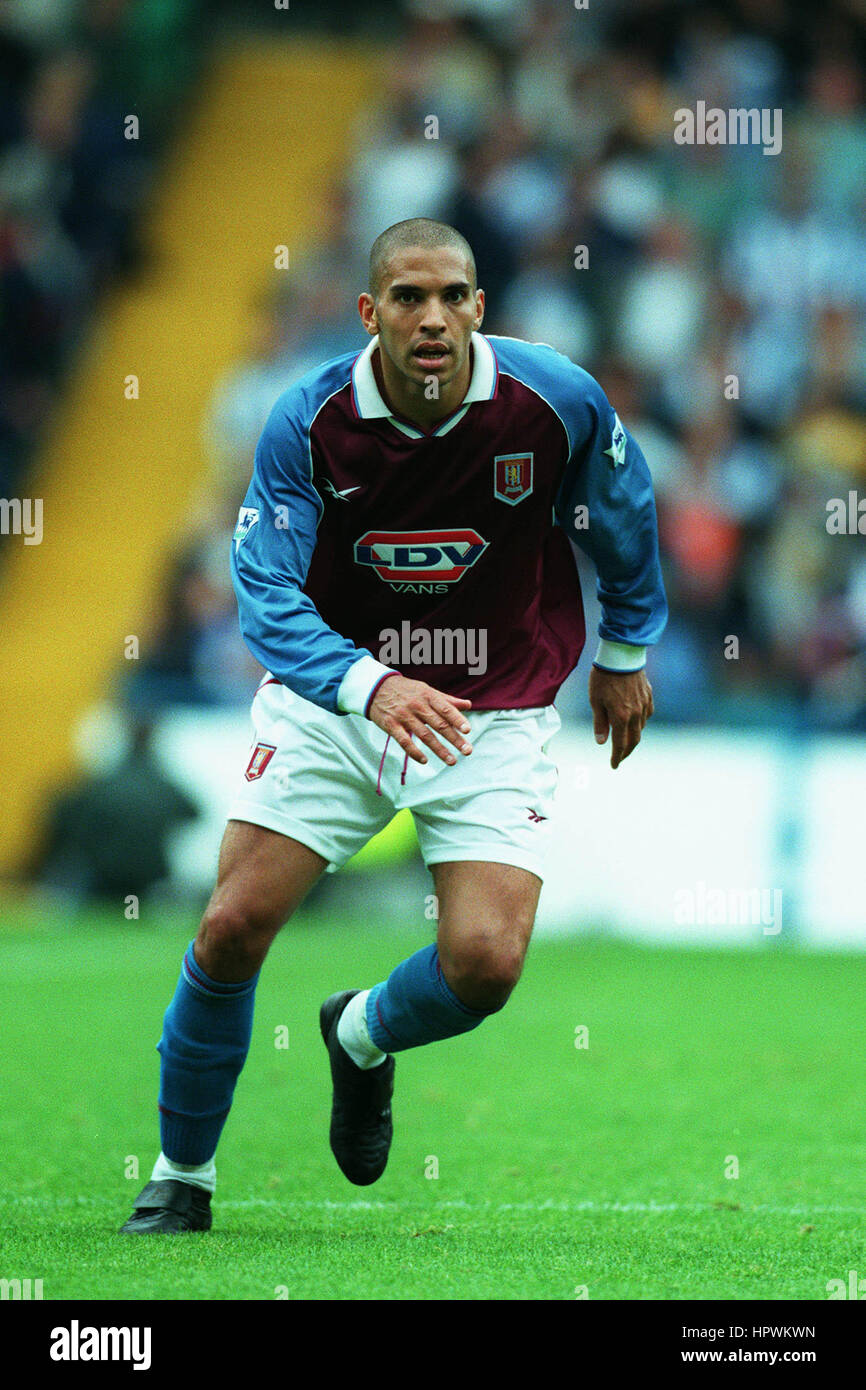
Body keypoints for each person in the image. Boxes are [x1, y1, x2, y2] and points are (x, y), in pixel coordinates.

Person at [120, 218, 666, 1234]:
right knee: (232, 924)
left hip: (489, 703)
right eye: (408, 298)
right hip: (333, 698)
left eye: (451, 296)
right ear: (369, 313)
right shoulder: (307, 419)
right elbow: (265, 593)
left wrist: (625, 650)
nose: (432, 317)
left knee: (485, 964)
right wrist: (367, 684)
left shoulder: (555, 400)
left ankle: (359, 1032)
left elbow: (623, 506)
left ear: (478, 309)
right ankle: (179, 1174)